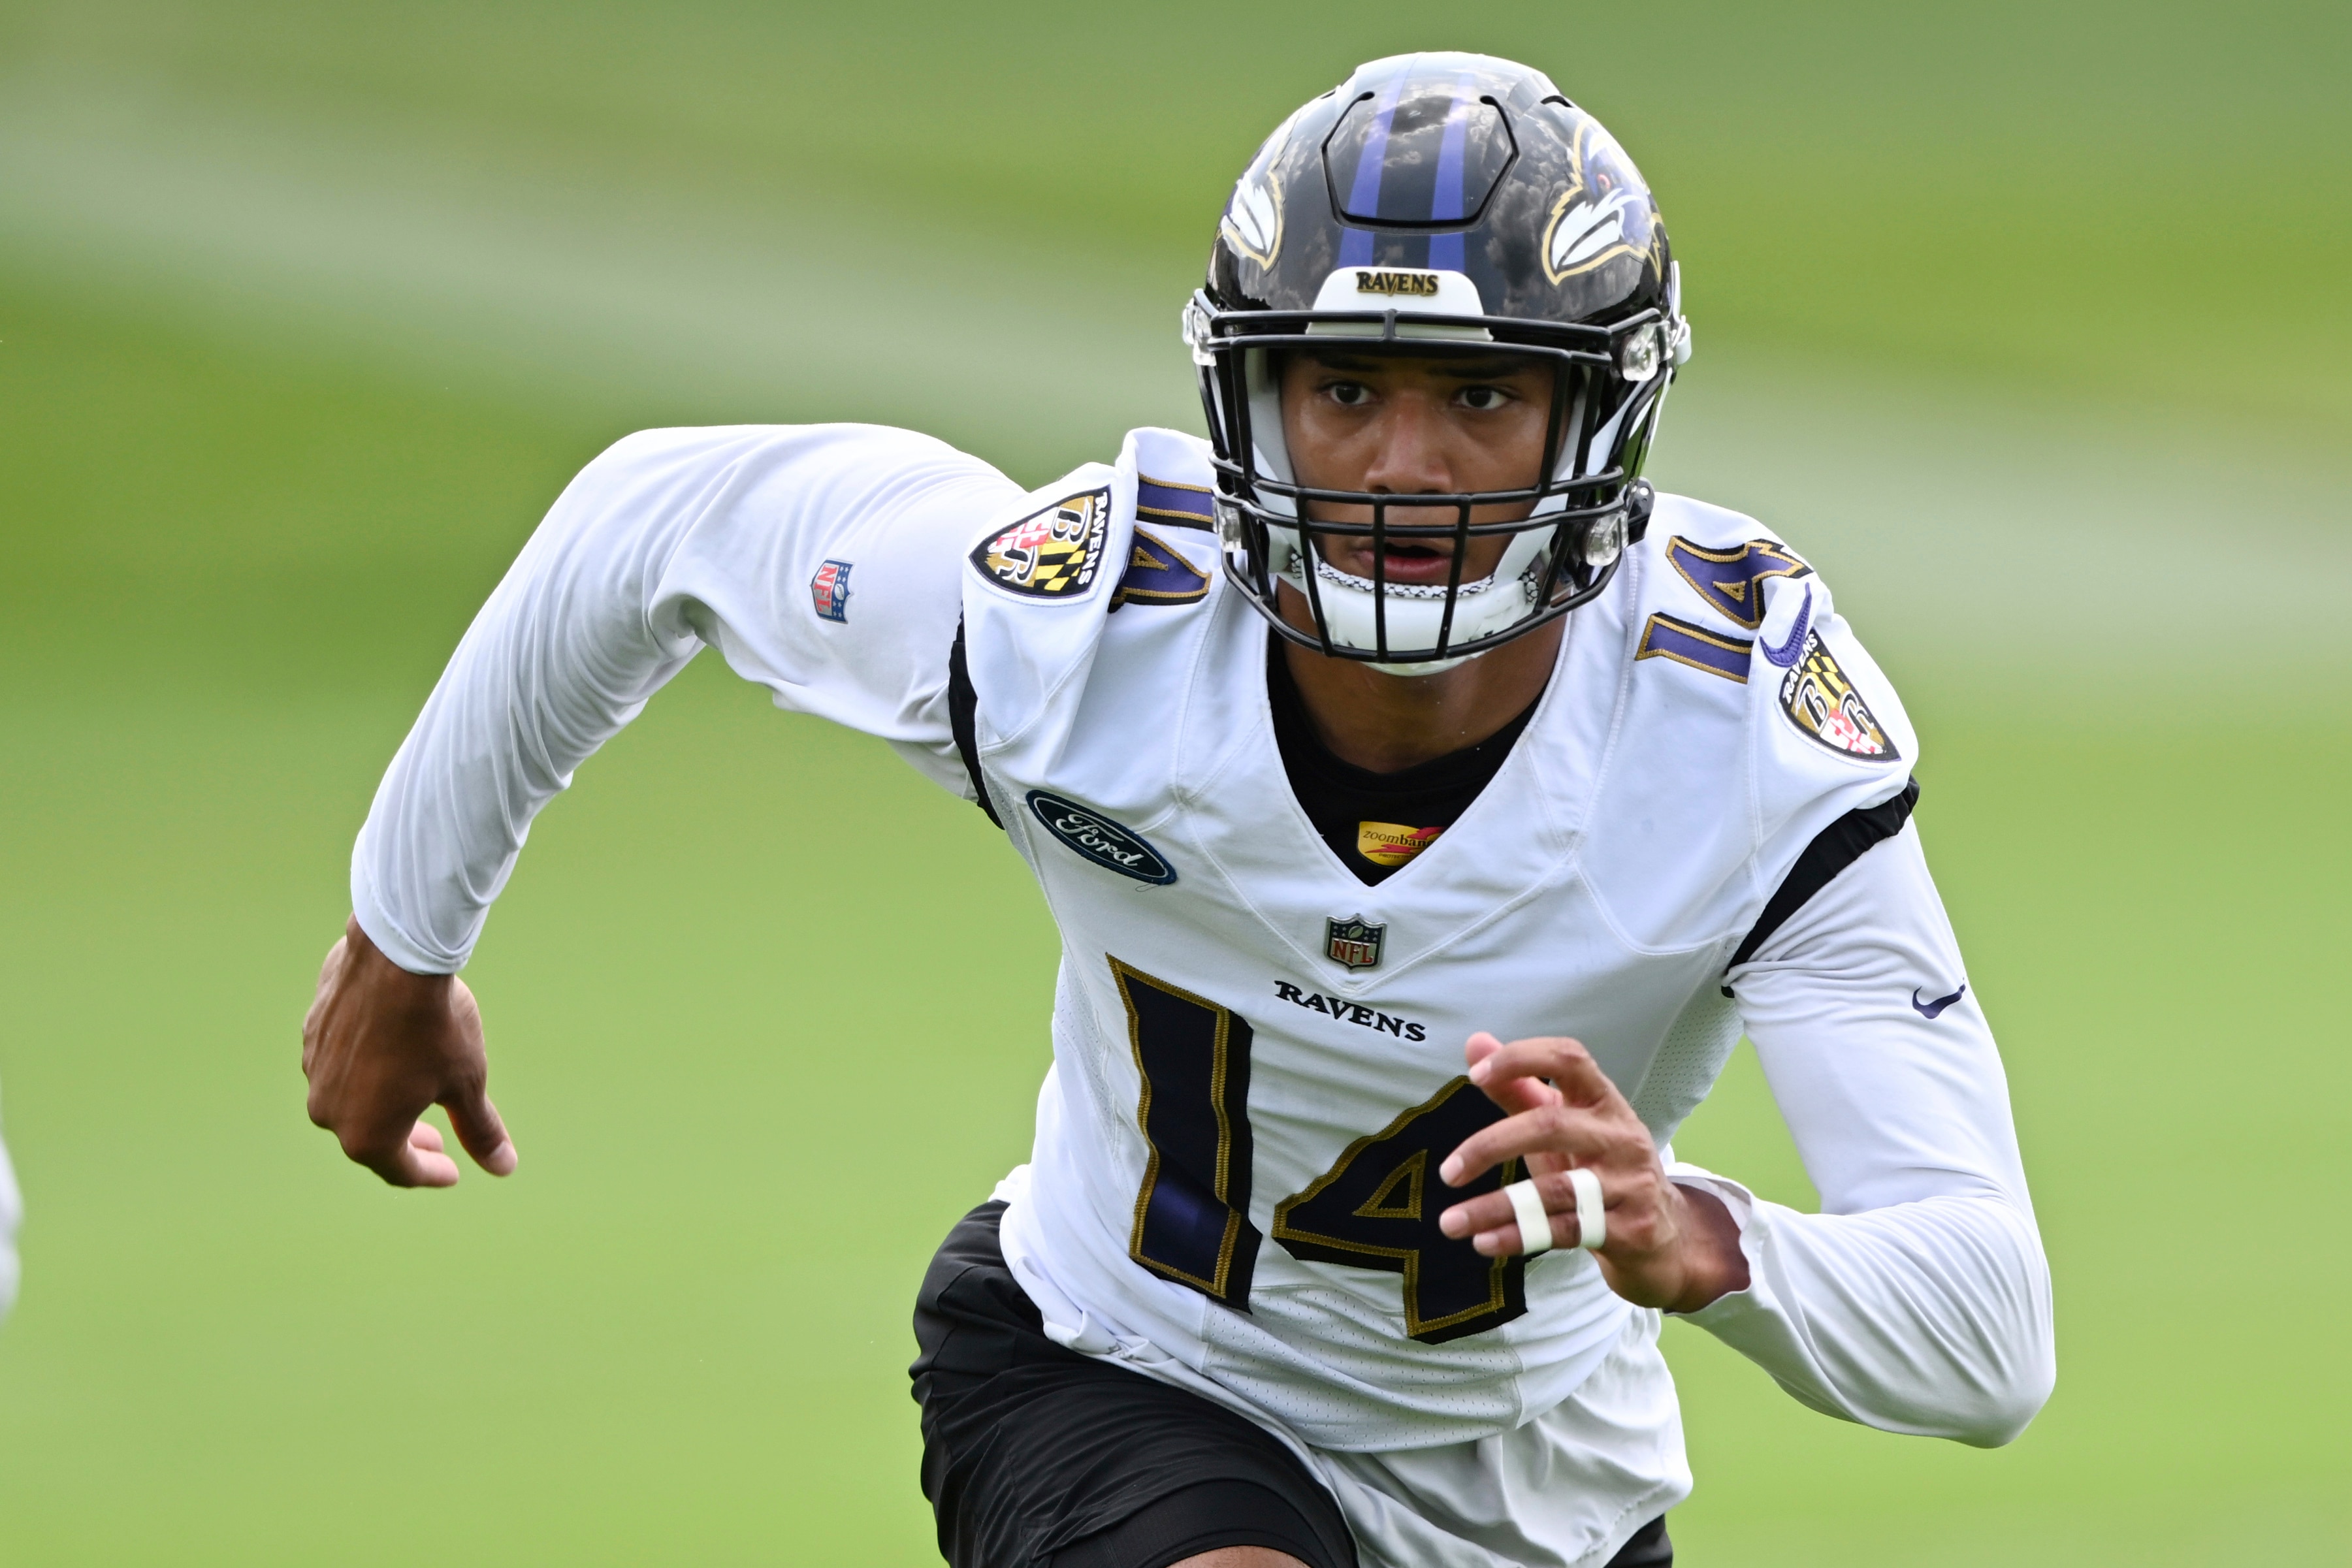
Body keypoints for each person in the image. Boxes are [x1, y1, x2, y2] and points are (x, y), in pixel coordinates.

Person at [300, 52, 2053, 1568]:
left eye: (1480, 396)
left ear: (1597, 418)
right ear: (1250, 397)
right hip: (1114, 1362)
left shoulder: (1738, 733)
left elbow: (1986, 1333)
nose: (1399, 469)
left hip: (1538, 1487)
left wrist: (1697, 1230)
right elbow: (652, 520)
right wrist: (403, 936)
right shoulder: (1076, 630)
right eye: (1345, 387)